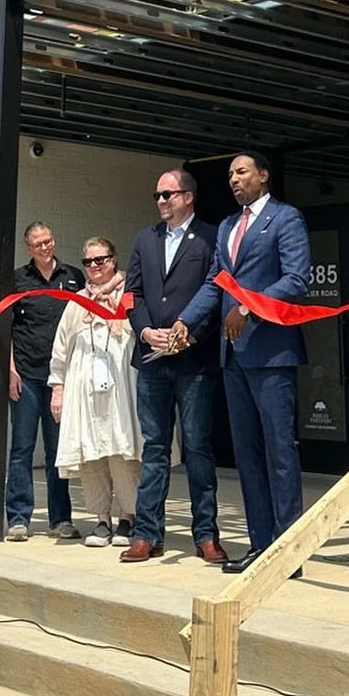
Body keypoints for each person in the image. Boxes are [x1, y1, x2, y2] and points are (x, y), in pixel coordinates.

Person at [173, 152, 311, 575]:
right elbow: (218, 282)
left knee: (279, 452)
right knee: (248, 455)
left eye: (242, 172)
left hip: (271, 353)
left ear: (264, 176)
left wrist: (248, 308)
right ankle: (261, 545)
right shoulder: (229, 227)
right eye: (230, 175)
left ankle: (288, 552)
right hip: (232, 355)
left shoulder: (285, 219)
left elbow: (296, 278)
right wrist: (185, 319)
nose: (234, 180)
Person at [121, 168, 224, 564]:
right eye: (158, 196)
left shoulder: (211, 238)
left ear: (188, 197)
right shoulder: (145, 239)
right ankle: (147, 534)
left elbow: (218, 291)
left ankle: (206, 535)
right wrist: (146, 331)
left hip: (193, 358)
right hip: (151, 358)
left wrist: (192, 332)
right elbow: (133, 294)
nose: (162, 201)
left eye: (168, 195)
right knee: (155, 447)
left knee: (197, 445)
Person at [49, 237, 143, 547]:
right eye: (88, 262)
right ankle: (101, 519)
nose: (93, 267)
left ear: (113, 260)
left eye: (99, 260)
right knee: (90, 453)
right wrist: (58, 389)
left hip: (121, 387)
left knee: (122, 451)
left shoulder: (130, 295)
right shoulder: (78, 302)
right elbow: (61, 348)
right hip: (84, 389)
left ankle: (128, 517)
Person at [5, 222, 84, 541]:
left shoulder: (73, 276)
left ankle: (60, 519)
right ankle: (19, 519)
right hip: (26, 376)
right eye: (38, 243)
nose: (45, 247)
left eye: (48, 240)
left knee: (57, 451)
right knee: (22, 448)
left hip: (60, 381)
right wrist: (11, 371)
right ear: (28, 248)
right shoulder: (16, 279)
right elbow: (5, 327)